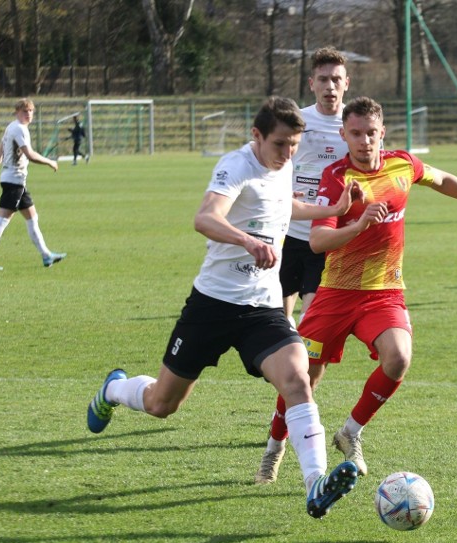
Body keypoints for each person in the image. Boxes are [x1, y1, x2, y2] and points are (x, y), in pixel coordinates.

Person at [85, 97, 360, 519]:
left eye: (293, 145)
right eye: (281, 144)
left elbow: (284, 207)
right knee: (162, 404)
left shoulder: (283, 165)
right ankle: (113, 389)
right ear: (256, 136)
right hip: (213, 304)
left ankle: (315, 483)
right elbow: (205, 217)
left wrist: (334, 210)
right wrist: (248, 241)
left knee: (298, 379)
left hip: (263, 309)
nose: (288, 153)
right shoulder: (235, 167)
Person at [254, 96, 457, 483]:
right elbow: (318, 242)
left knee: (399, 358)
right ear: (343, 134)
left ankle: (350, 433)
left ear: (382, 133)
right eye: (355, 133)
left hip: (383, 292)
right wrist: (358, 225)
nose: (364, 141)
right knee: (303, 378)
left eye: (371, 133)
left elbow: (442, 179)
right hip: (335, 293)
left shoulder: (403, 163)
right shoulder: (336, 178)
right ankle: (274, 449)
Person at [281, 47, 350, 328]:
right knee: (279, 319)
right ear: (312, 84)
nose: (329, 86)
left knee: (309, 318)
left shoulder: (357, 124)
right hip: (289, 231)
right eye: (323, 79)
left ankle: (297, 365)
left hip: (328, 235)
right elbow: (274, 163)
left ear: (347, 83)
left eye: (336, 79)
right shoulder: (296, 120)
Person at [0, 98, 65, 271]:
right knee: (2, 221)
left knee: (32, 218)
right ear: (17, 112)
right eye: (24, 111)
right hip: (14, 182)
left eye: (30, 111)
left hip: (16, 181)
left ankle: (46, 255)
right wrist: (49, 162)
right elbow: (29, 154)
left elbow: (0, 150)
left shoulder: (11, 127)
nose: (28, 114)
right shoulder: (20, 129)